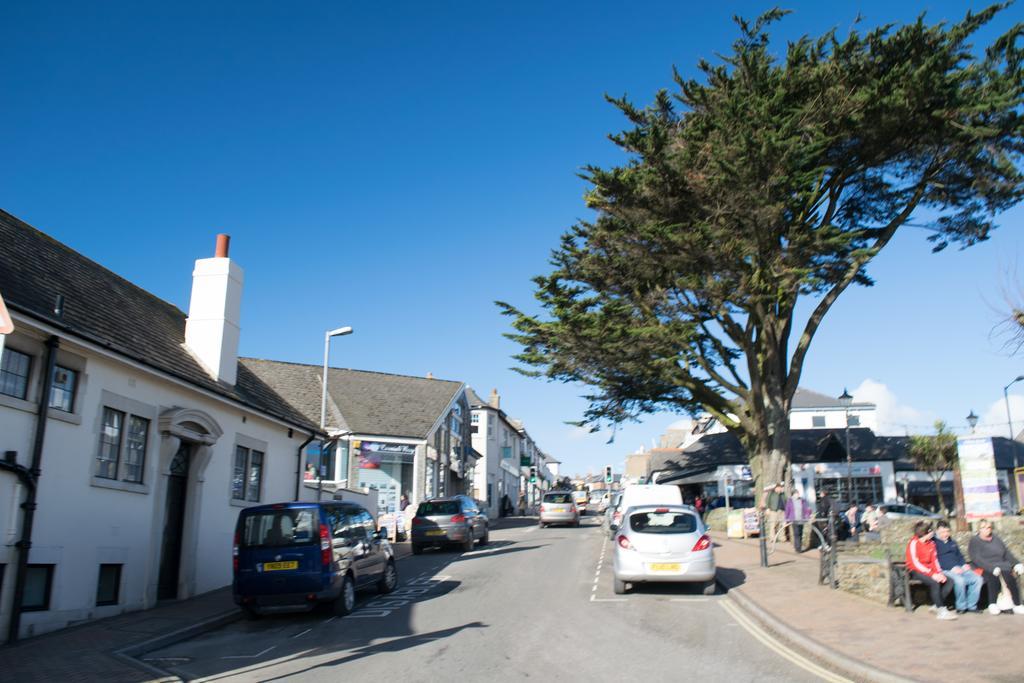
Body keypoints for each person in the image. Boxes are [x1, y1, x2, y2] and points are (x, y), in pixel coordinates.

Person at [968, 518, 1024, 615]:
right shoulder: (975, 541)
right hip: (984, 566)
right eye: (984, 527)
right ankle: (992, 604)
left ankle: (1017, 604)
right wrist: (991, 568)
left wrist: (1016, 563)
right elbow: (976, 559)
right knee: (992, 577)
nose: (987, 529)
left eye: (989, 527)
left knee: (1010, 576)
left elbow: (1006, 553)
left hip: (1002, 565)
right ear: (979, 529)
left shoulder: (996, 539)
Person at [905, 520, 957, 620]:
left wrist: (939, 573)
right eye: (931, 531)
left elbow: (935, 560)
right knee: (934, 583)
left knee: (949, 581)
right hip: (916, 571)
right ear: (926, 533)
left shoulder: (931, 543)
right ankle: (941, 610)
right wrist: (932, 574)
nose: (933, 532)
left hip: (930, 571)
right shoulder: (913, 543)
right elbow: (916, 563)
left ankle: (936, 605)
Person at [934, 520, 982, 614]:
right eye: (943, 532)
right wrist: (951, 568)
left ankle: (972, 606)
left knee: (978, 579)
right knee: (960, 581)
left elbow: (959, 556)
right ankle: (961, 606)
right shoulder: (934, 543)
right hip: (945, 570)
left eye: (947, 531)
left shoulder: (952, 542)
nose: (946, 534)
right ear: (937, 531)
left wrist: (964, 564)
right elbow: (936, 560)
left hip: (959, 568)